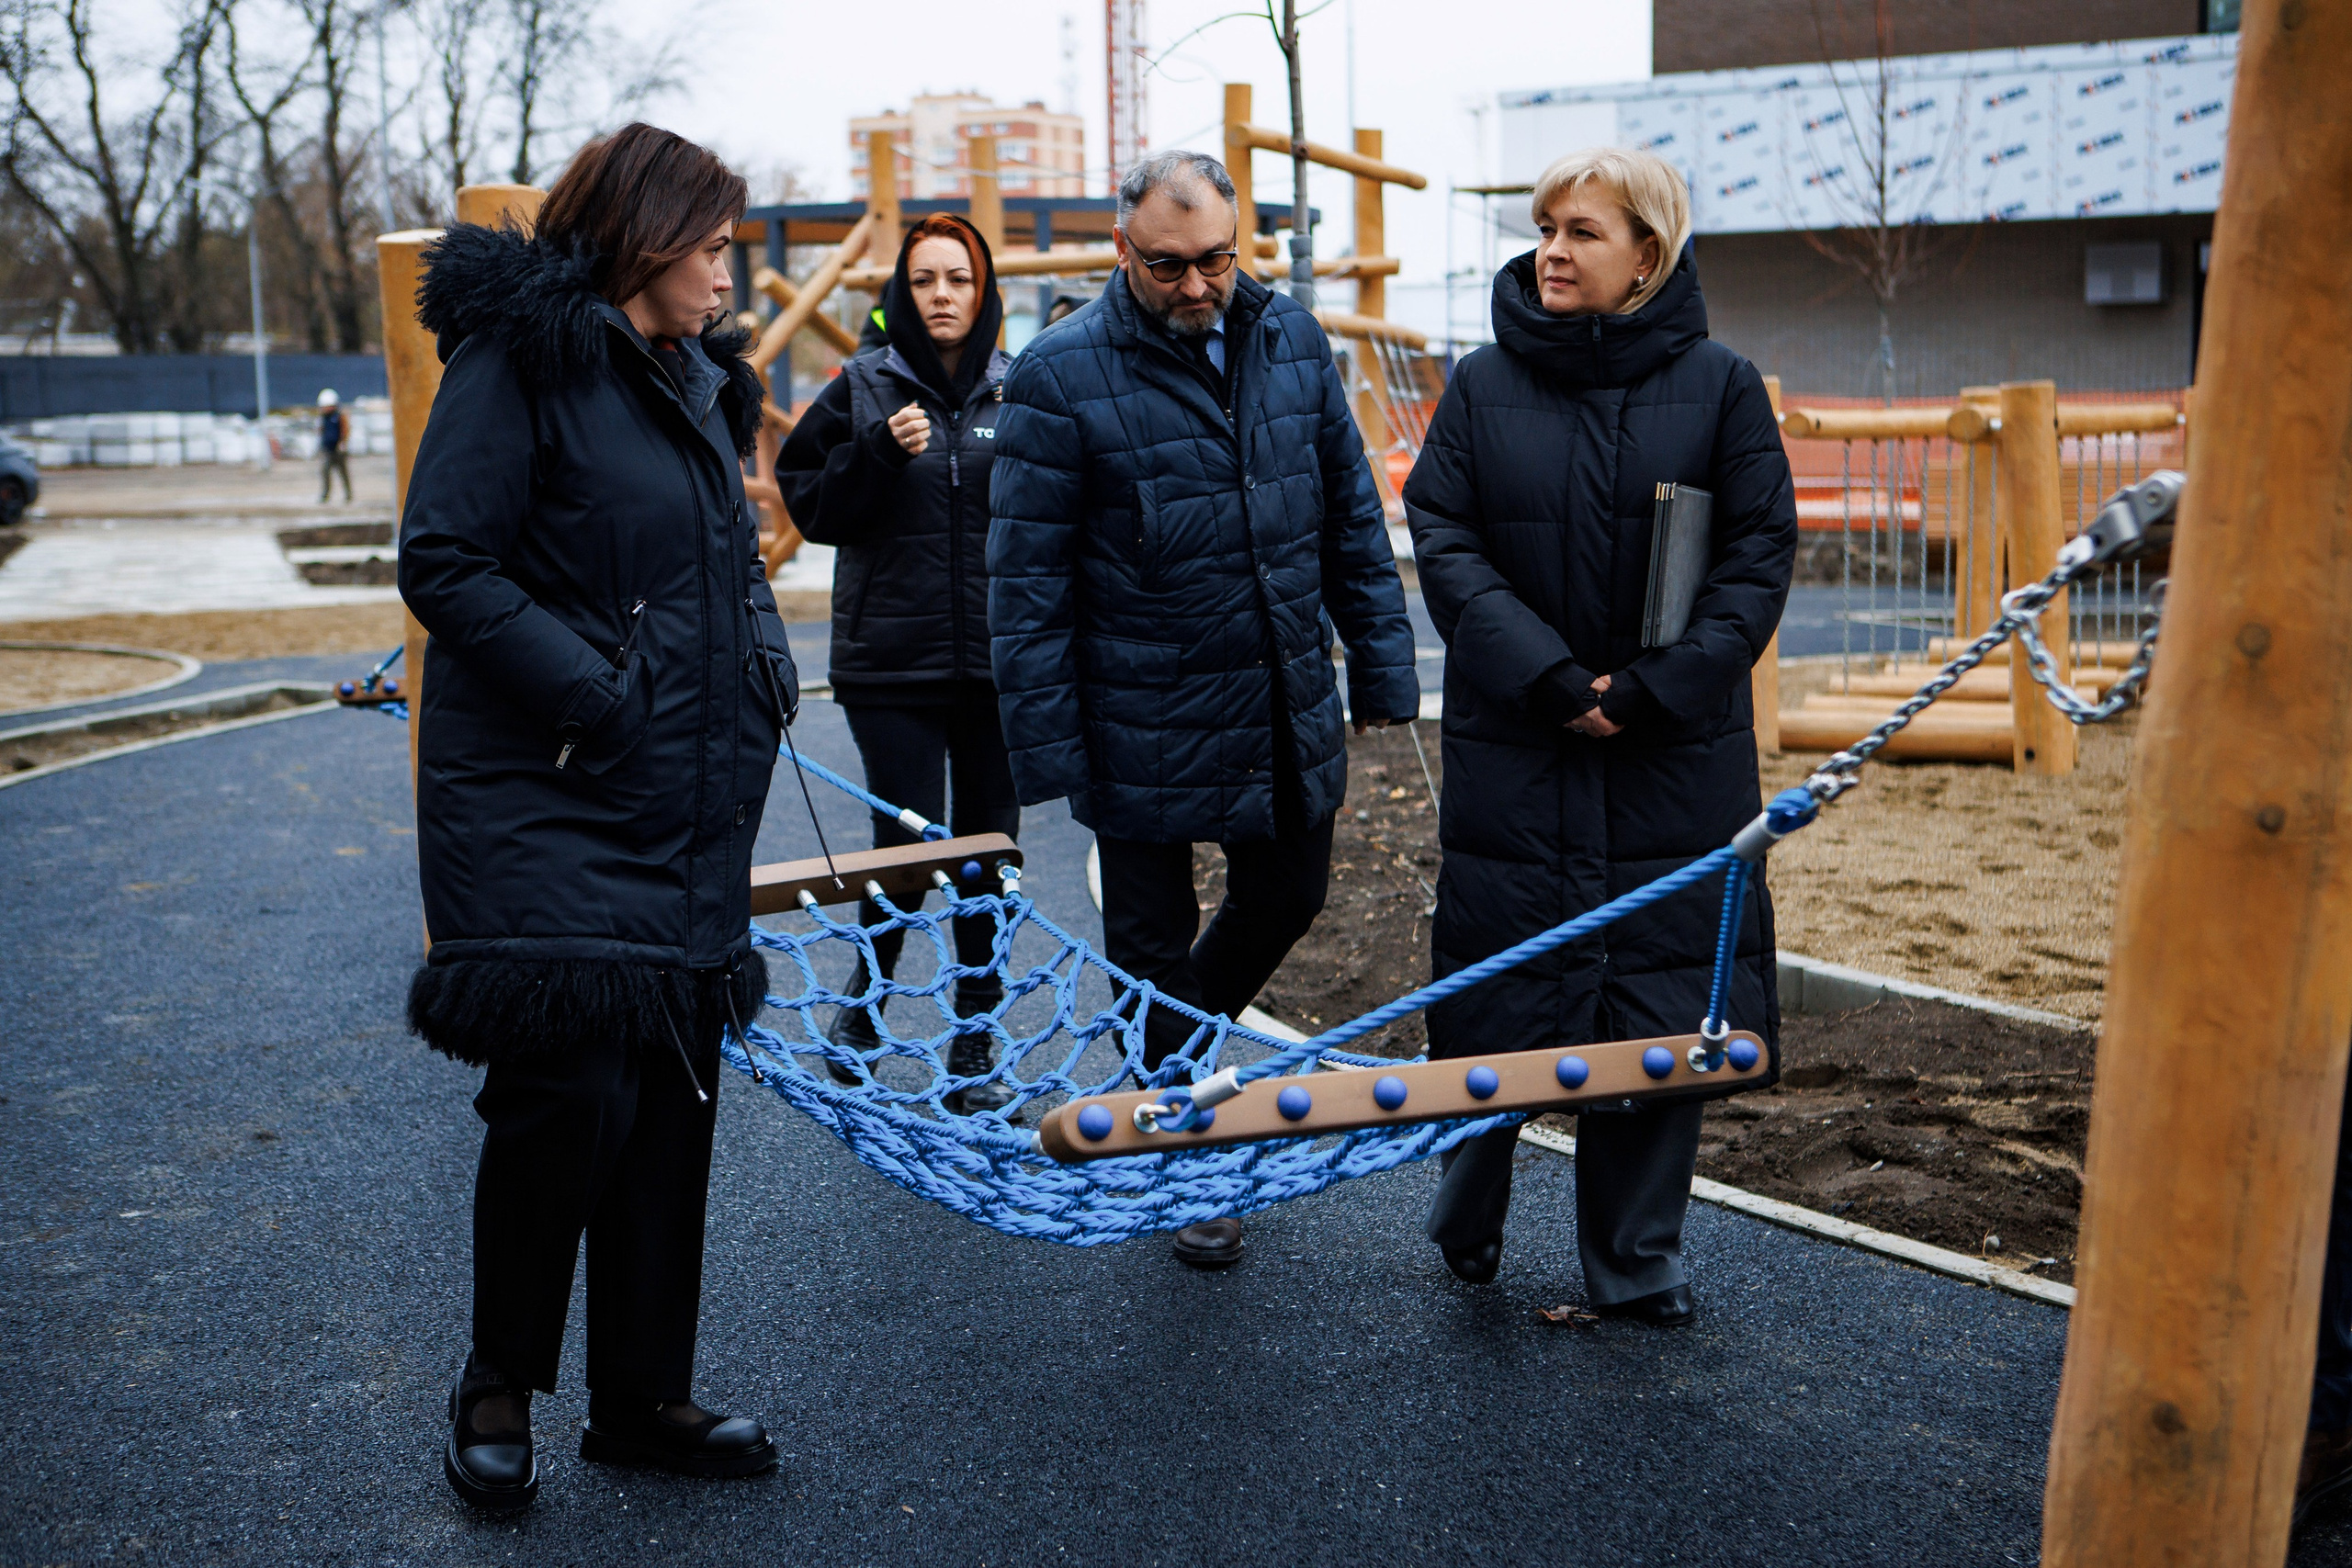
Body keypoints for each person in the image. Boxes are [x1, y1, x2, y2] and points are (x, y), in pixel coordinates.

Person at [397, 121, 800, 1510]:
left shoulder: (694, 377)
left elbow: (717, 555)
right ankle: (496, 1378)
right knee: (565, 1088)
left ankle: (641, 1395)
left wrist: (762, 656)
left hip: (681, 791)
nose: (728, 268)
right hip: (550, 788)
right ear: (646, 238)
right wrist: (599, 694)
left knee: (670, 1091)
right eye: (713, 242)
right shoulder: (526, 358)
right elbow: (442, 557)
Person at [988, 150, 1420, 1270]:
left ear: (1243, 245)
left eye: (1216, 260)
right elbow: (1025, 582)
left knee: (1291, 890)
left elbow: (1348, 520)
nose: (1195, 286)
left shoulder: (1294, 340)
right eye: (1168, 264)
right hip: (1132, 709)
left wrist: (1382, 668)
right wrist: (1045, 748)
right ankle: (1184, 1142)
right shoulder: (1057, 373)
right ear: (1122, 250)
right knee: (1148, 944)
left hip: (1277, 688)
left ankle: (1166, 1063)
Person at [1400, 146, 1796, 1322]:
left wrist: (1659, 686)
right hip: (1520, 739)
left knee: (1660, 998)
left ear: (1648, 255)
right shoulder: (1480, 384)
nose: (1552, 250)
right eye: (1545, 227)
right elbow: (1445, 535)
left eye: (1582, 231)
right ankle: (1466, 1205)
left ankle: (1635, 1263)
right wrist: (1551, 674)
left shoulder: (1723, 386)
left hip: (1669, 750)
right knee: (1499, 985)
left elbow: (1757, 553)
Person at [775, 214, 1019, 1113]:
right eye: (925, 281)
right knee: (907, 853)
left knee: (990, 855)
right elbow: (809, 504)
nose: (944, 294)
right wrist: (875, 454)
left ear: (982, 290)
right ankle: (866, 1013)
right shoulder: (862, 386)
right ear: (902, 295)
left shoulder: (1020, 390)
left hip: (998, 669)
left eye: (959, 278)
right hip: (893, 669)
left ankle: (974, 1041)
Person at [317, 389, 352, 502]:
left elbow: (345, 430)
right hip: (328, 450)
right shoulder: (323, 418)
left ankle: (348, 494)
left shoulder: (339, 417)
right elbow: (321, 431)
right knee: (325, 472)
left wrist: (343, 443)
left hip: (338, 450)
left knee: (343, 473)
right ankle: (325, 494)